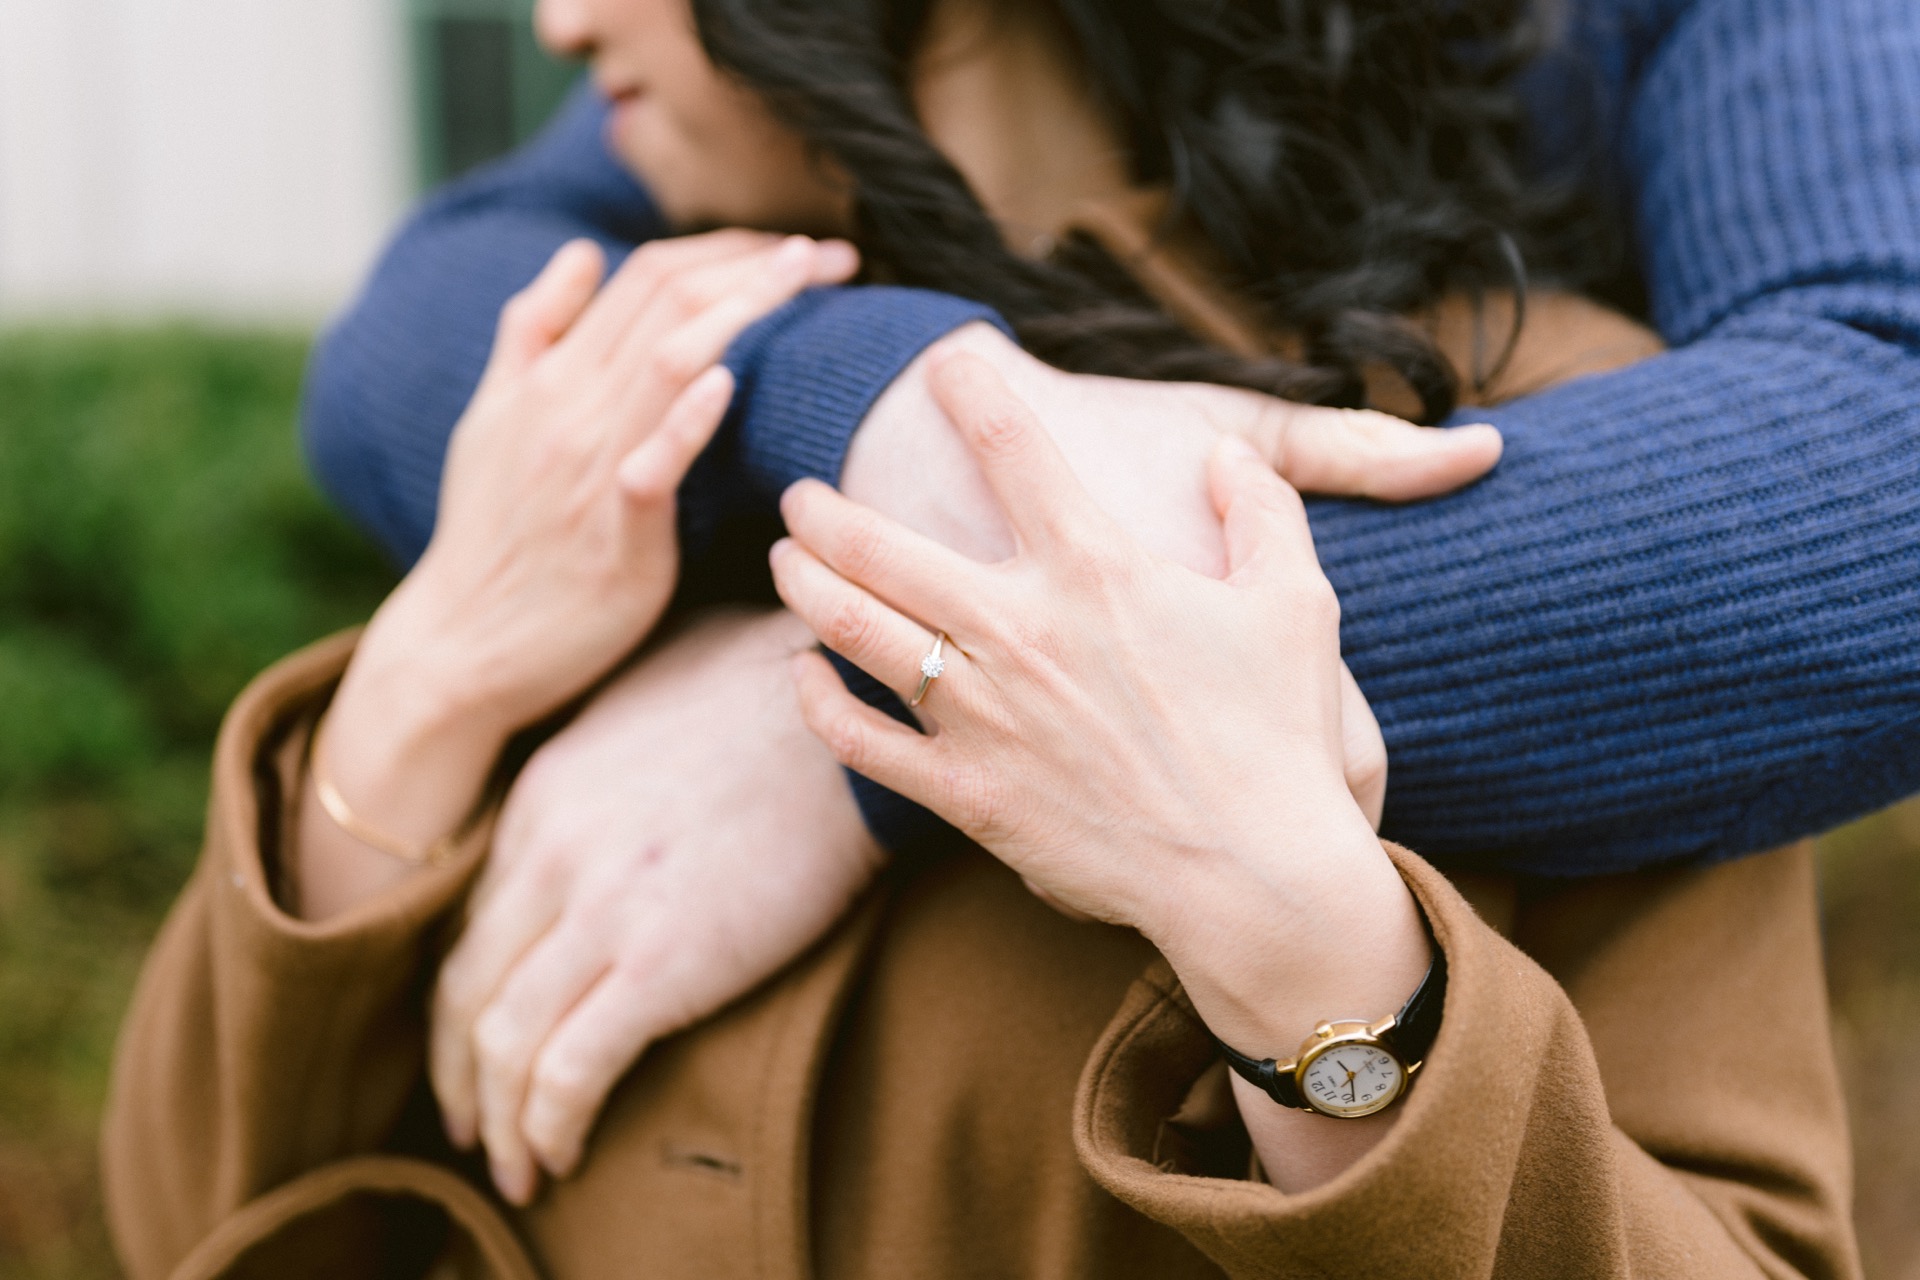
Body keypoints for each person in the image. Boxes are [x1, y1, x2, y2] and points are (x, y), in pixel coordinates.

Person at [290, 0, 1920, 1209]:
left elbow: (1880, 470)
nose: (557, 26)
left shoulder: (1521, 388)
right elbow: (417, 322)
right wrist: (870, 410)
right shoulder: (718, 311)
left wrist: (932, 676)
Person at [101, 231, 1857, 1277]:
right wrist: (425, 692)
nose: (561, 28)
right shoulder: (646, 380)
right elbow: (192, 1225)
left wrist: (1315, 975)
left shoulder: (1534, 425)